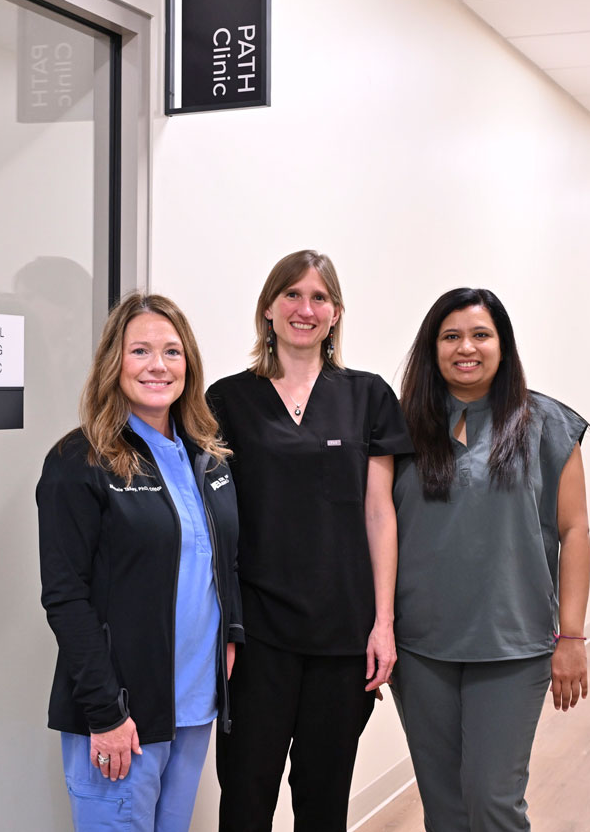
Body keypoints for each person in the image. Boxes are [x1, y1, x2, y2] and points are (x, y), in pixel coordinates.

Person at [208, 250, 412, 832]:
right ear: (268, 309)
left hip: (341, 635)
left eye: (319, 297)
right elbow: (213, 522)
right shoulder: (226, 401)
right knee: (245, 797)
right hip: (256, 636)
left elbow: (380, 514)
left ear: (336, 313)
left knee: (323, 801)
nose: (305, 308)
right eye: (292, 295)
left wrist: (383, 623)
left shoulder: (368, 396)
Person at [37, 292, 244, 832]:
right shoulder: (79, 461)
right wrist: (105, 713)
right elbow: (65, 597)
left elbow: (222, 561)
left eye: (172, 351)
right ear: (115, 361)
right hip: (122, 713)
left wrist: (231, 636)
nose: (158, 365)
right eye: (140, 351)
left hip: (193, 707)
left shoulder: (207, 456)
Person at [392, 288, 590, 832]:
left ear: (503, 345)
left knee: (492, 801)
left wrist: (572, 636)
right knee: (444, 807)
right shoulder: (401, 426)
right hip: (421, 647)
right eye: (451, 336)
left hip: (512, 643)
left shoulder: (547, 424)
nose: (466, 348)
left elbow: (575, 532)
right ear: (432, 348)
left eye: (481, 335)